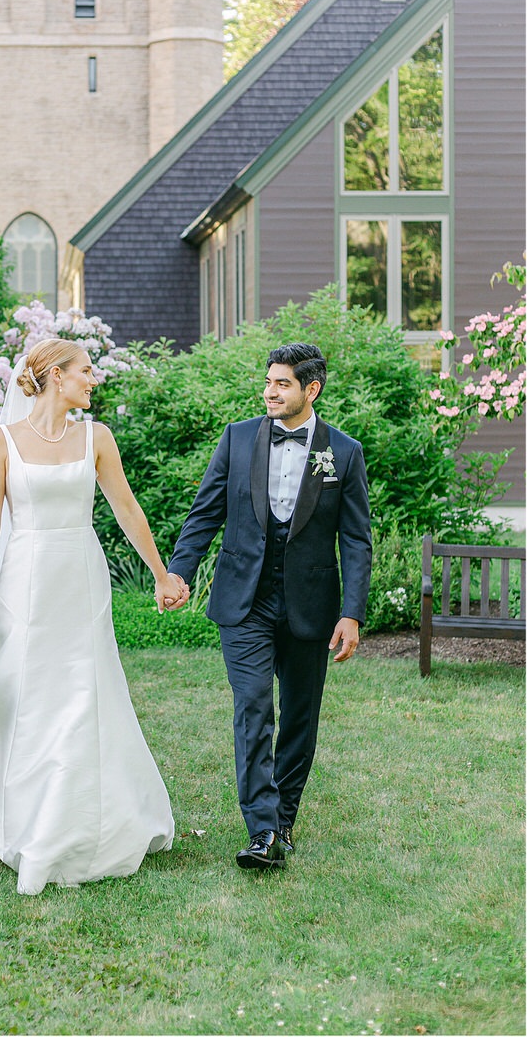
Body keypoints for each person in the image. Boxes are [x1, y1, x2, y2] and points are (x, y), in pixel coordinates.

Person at [0, 338, 186, 895]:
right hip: (24, 577)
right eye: (85, 372)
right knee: (20, 685)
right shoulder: (2, 443)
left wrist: (162, 575)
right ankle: (5, 804)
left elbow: (126, 508)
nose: (94, 380)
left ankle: (75, 811)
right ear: (53, 375)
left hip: (80, 573)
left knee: (83, 685)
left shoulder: (97, 438)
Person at [164, 343, 372, 870]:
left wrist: (351, 612)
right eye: (268, 382)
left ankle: (284, 821)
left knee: (300, 718)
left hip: (310, 605)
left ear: (311, 389)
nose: (270, 392)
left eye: (281, 384)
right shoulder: (237, 439)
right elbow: (204, 514)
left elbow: (356, 539)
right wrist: (178, 573)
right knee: (253, 706)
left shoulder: (342, 452)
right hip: (244, 601)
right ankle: (261, 831)